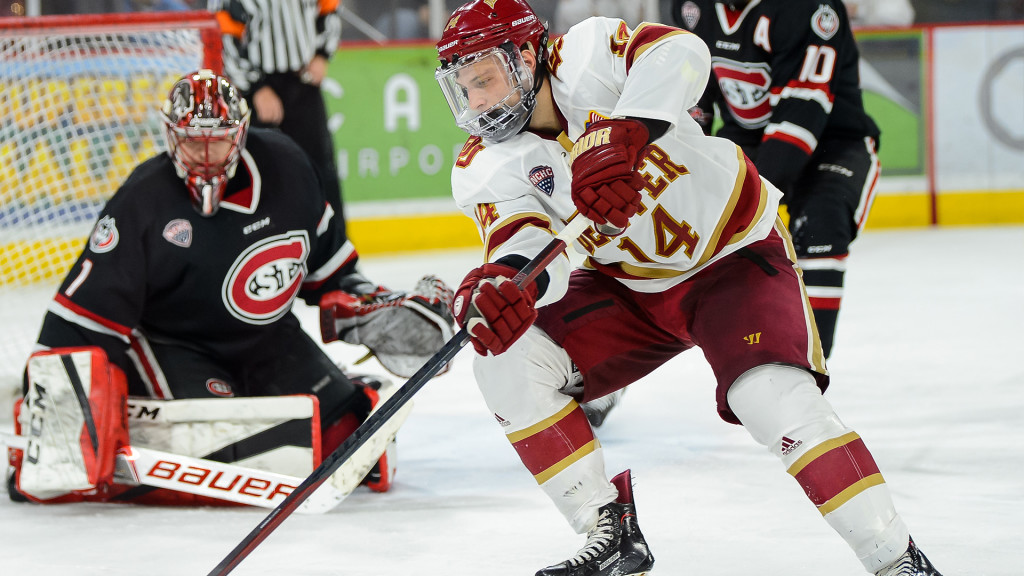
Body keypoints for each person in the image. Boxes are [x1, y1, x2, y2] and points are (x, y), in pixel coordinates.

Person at [433, 2, 941, 575]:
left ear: (525, 57)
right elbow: (525, 249)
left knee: (771, 398)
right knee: (506, 360)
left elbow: (683, 52)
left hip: (733, 255)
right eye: (464, 87)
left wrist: (626, 133)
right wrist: (506, 286)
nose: (476, 102)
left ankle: (898, 560)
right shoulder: (484, 164)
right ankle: (609, 530)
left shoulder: (586, 54)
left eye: (485, 79)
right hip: (631, 289)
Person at [7, 70, 453, 505]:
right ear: (170, 135)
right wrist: (49, 413)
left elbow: (329, 273)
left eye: (217, 139)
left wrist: (370, 307)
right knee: (229, 446)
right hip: (176, 344)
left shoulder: (288, 167)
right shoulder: (142, 201)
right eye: (191, 141)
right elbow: (82, 316)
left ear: (240, 133)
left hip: (268, 339)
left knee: (347, 438)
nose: (205, 155)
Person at [671, 0, 881, 361]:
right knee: (675, 230)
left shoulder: (810, 8)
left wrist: (751, 195)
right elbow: (693, 100)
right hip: (750, 141)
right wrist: (681, 175)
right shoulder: (689, 6)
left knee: (821, 224)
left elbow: (804, 108)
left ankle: (804, 370)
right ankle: (615, 374)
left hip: (835, 141)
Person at [216, 0, 351, 234]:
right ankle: (263, 248)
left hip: (303, 81)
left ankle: (336, 253)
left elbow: (329, 7)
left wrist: (322, 53)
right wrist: (255, 88)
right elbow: (225, 34)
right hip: (260, 87)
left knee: (320, 172)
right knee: (262, 174)